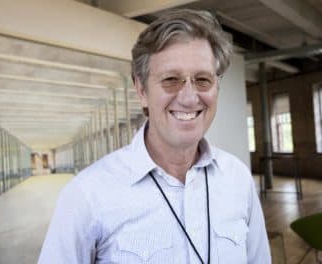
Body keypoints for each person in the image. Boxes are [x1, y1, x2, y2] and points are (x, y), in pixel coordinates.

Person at [39, 9, 271, 264]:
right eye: (171, 79)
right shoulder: (86, 195)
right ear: (141, 90)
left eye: (203, 80)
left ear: (217, 87)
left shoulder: (237, 179)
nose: (189, 97)